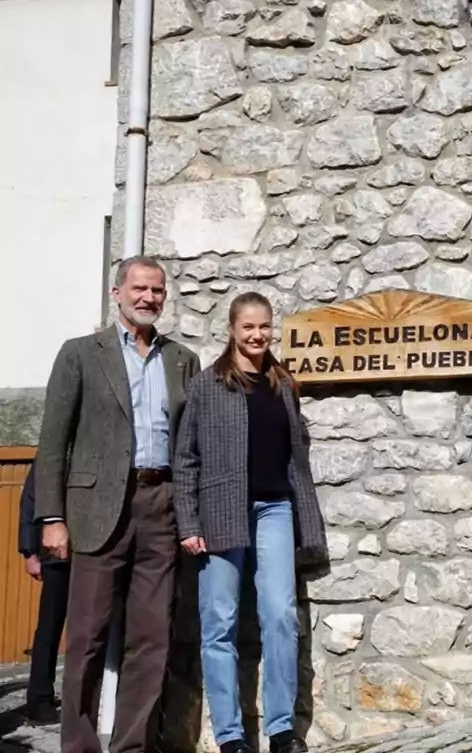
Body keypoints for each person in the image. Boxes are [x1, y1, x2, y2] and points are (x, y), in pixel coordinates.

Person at [35, 255, 200, 753]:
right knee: (86, 636)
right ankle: (80, 746)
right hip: (96, 510)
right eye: (140, 288)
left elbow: (189, 442)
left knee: (152, 640)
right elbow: (52, 441)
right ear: (117, 293)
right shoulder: (81, 353)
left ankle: (132, 745)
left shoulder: (182, 360)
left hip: (161, 504)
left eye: (157, 290)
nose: (149, 298)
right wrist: (53, 517)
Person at [173, 292, 327, 753]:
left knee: (280, 615)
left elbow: (296, 456)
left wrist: (306, 515)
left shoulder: (283, 384)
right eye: (248, 328)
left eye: (264, 327)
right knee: (218, 621)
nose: (257, 335)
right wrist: (188, 522)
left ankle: (281, 730)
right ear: (232, 330)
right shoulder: (206, 386)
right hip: (220, 511)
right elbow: (185, 460)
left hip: (274, 509)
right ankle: (231, 736)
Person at [17, 466, 70, 725]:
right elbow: (30, 501)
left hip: (92, 552)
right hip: (55, 554)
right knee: (49, 627)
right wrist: (29, 552)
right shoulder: (51, 456)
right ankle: (39, 700)